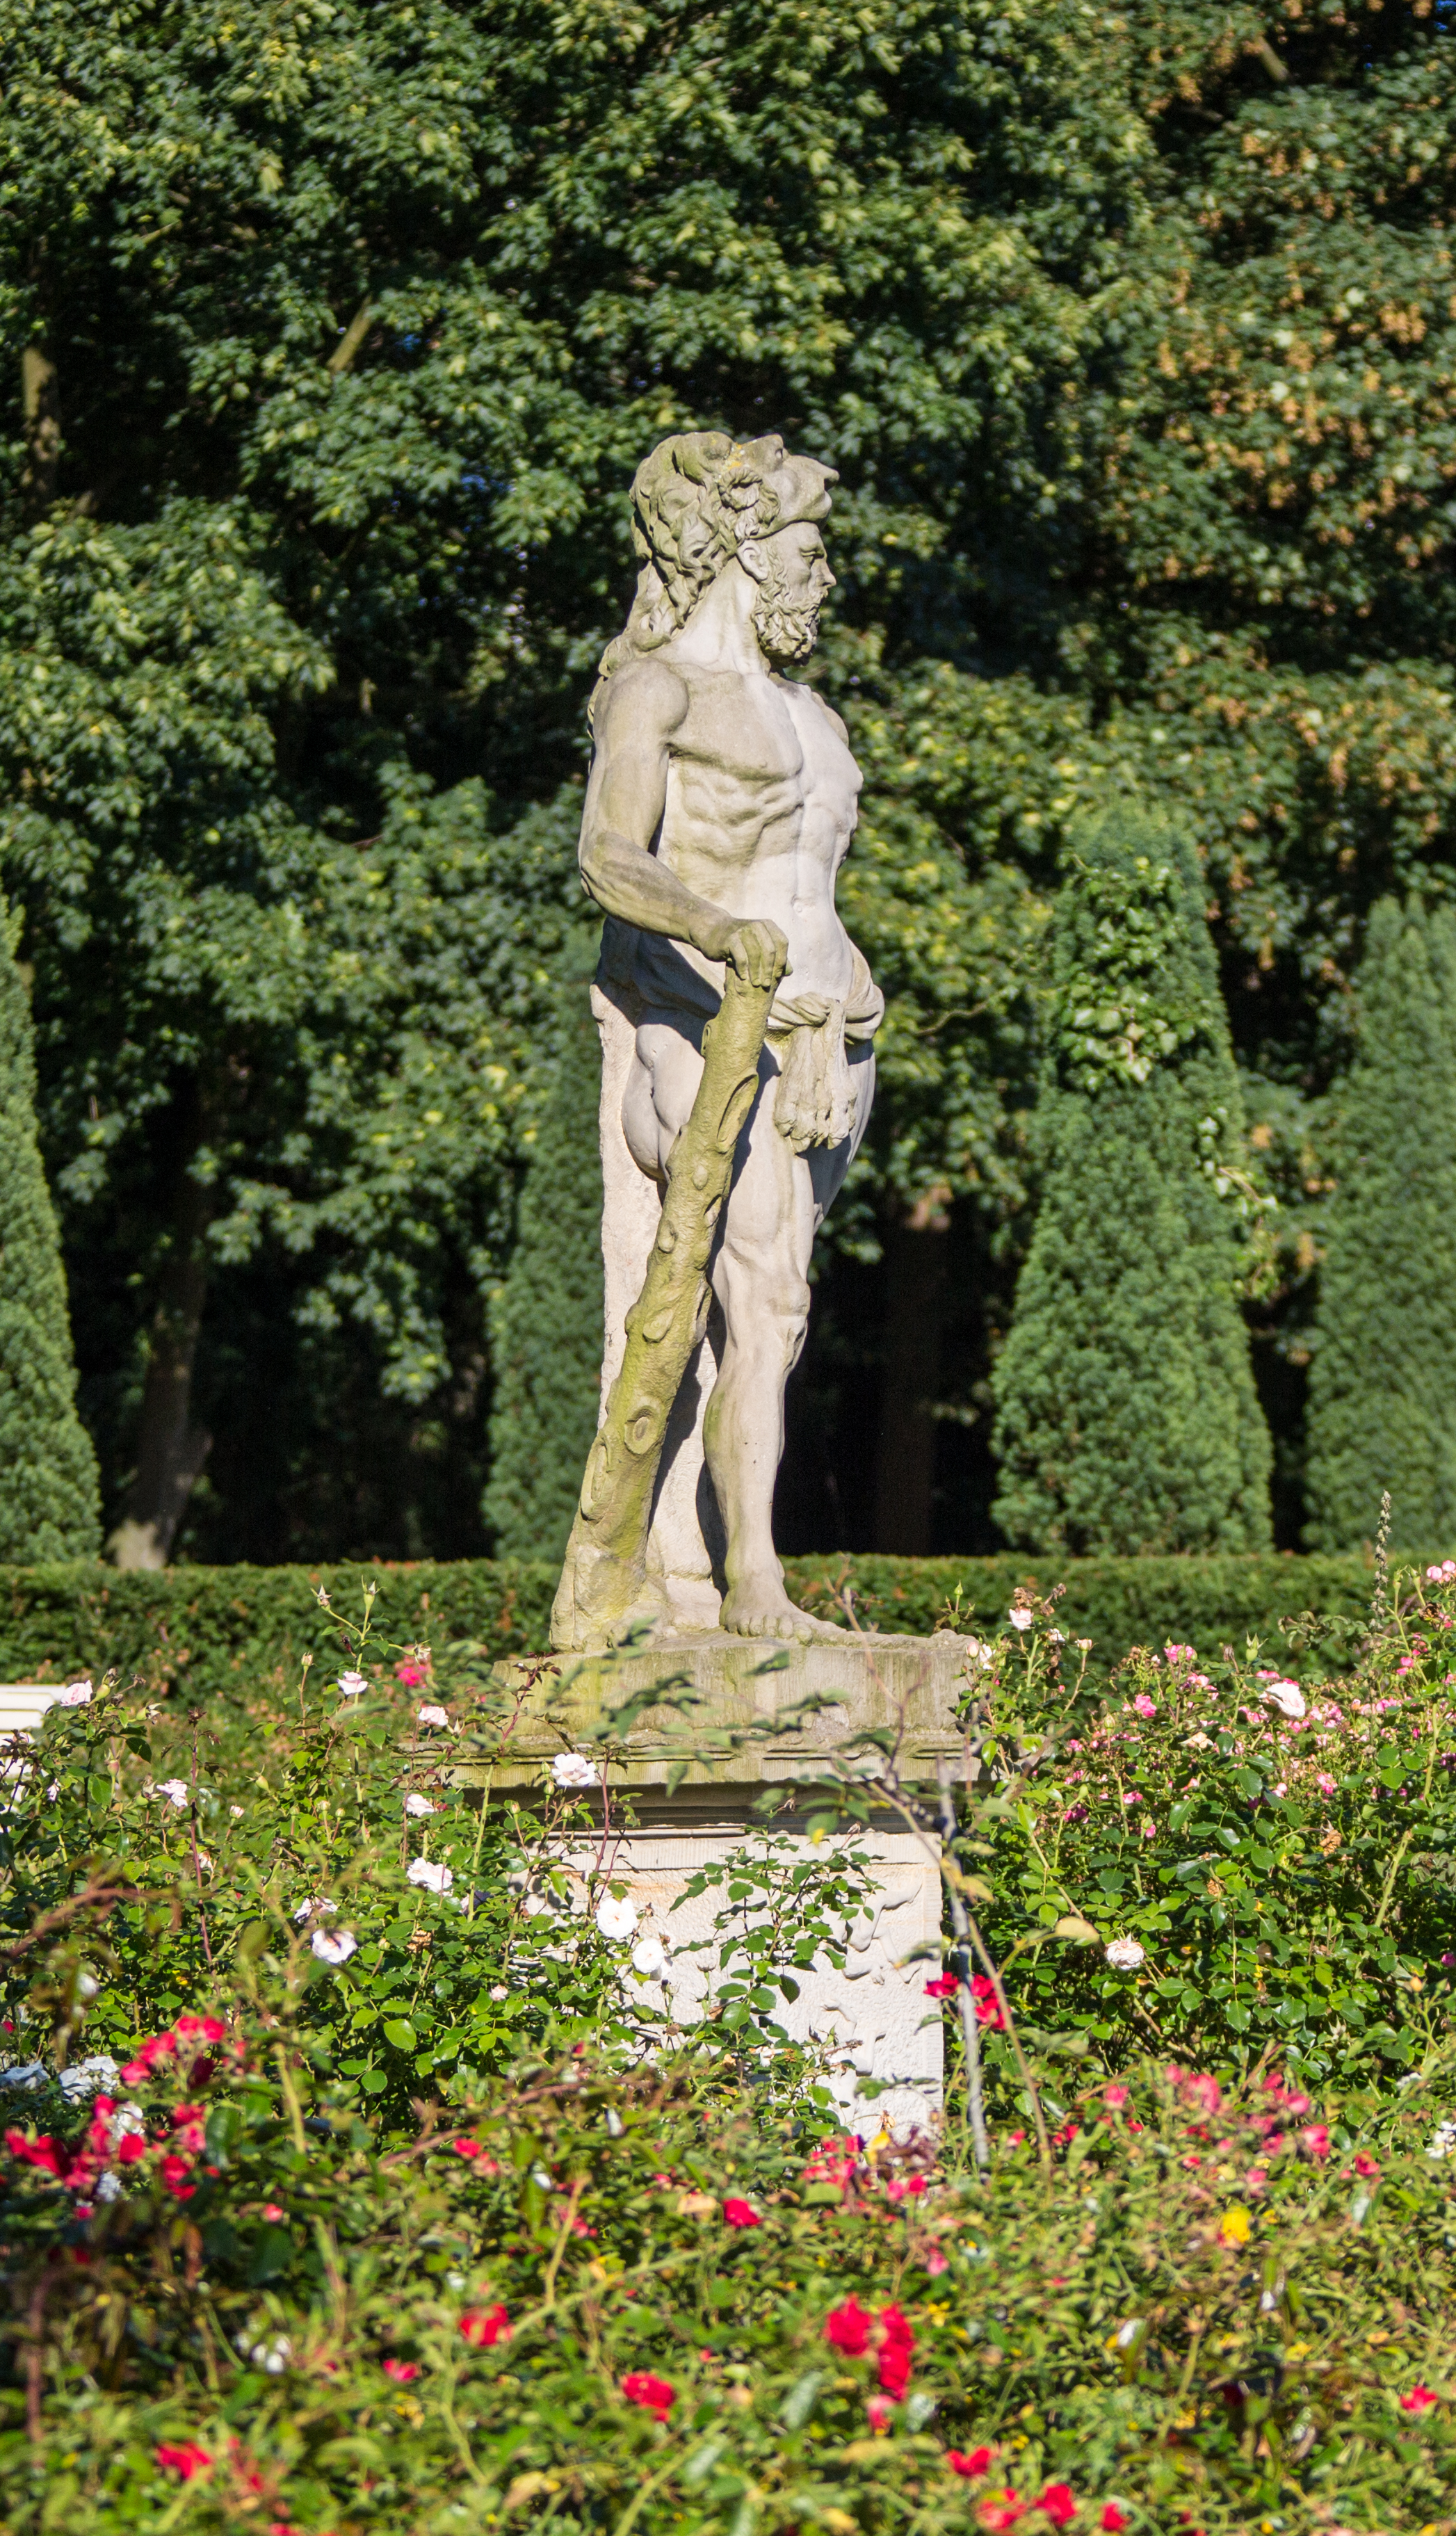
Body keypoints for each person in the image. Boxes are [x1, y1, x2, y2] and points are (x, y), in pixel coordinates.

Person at [569, 430, 882, 1641]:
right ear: (748, 548)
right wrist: (719, 933)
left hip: (826, 1046)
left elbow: (813, 879)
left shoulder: (814, 713)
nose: (823, 575)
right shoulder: (661, 691)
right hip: (707, 1023)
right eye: (808, 549)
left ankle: (702, 1568)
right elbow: (610, 856)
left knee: (778, 1313)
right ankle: (741, 1576)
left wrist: (850, 985)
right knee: (744, 1294)